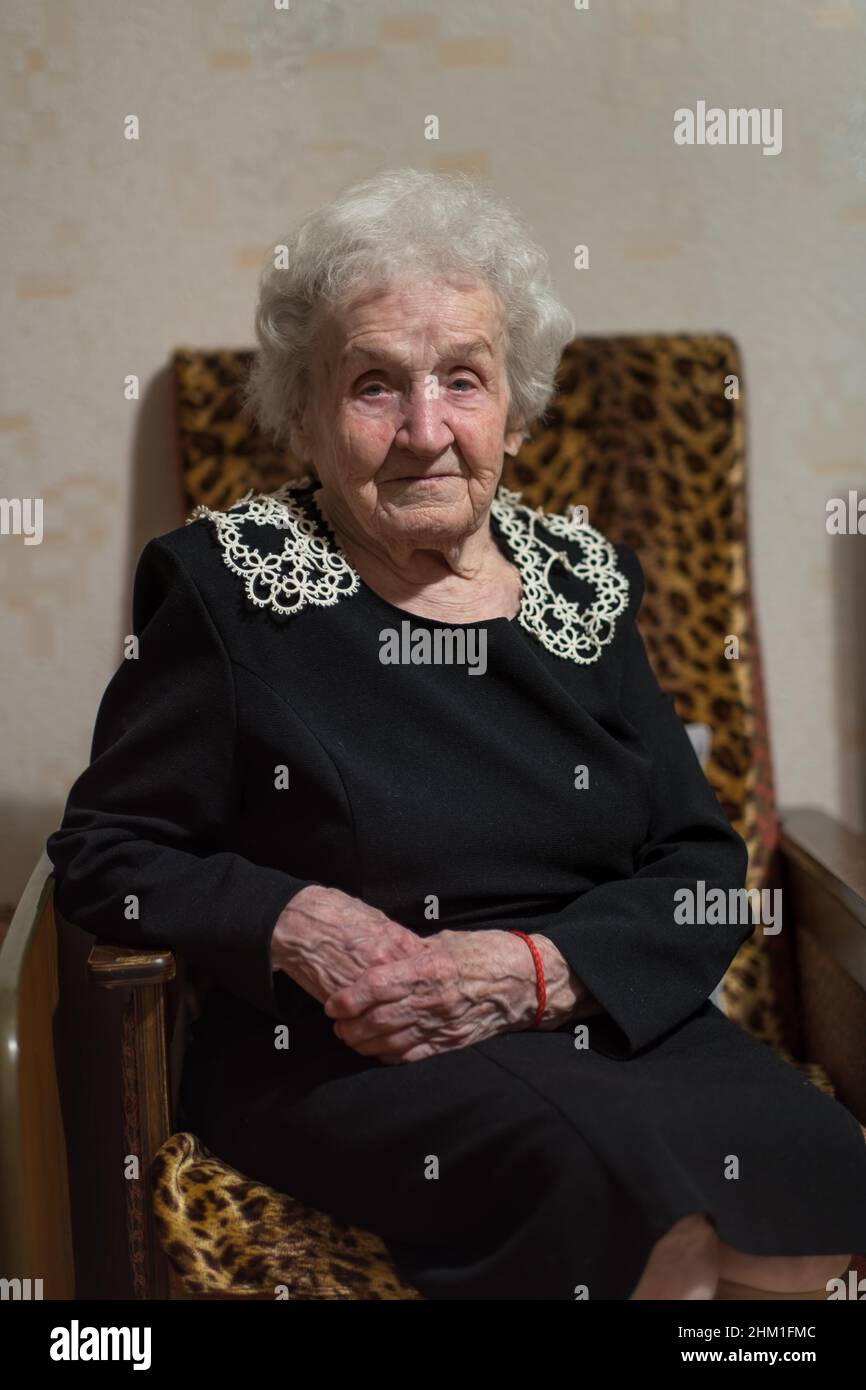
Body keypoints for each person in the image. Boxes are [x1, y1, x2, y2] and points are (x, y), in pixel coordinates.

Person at [46, 167, 866, 1300]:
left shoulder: (582, 583)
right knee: (635, 1210)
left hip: (588, 1007)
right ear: (305, 412)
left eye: (462, 381)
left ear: (514, 411)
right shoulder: (225, 590)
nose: (424, 430)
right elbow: (105, 853)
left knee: (817, 1173)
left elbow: (696, 864)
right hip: (354, 1045)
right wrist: (292, 919)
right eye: (374, 385)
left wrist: (540, 970)